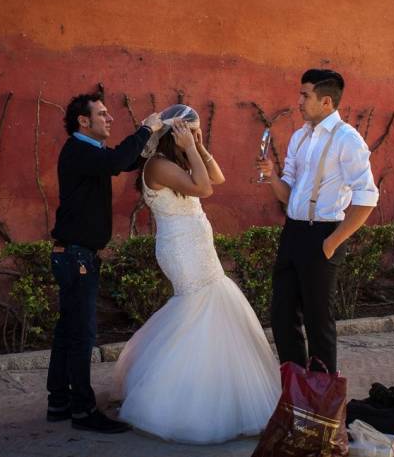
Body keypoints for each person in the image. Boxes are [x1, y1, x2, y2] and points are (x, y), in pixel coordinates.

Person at [113, 104, 281, 444]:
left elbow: (216, 177)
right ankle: (175, 399)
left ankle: (213, 390)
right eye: (191, 130)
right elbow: (204, 190)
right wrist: (190, 150)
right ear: (175, 133)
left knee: (206, 309)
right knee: (198, 308)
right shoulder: (158, 166)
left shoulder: (178, 160)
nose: (194, 135)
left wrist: (199, 147)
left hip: (197, 247)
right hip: (182, 249)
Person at [47, 92, 162, 433]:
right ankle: (83, 411)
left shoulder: (89, 152)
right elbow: (115, 164)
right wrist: (144, 129)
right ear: (84, 121)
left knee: (68, 331)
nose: (110, 119)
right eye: (103, 114)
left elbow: (122, 162)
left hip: (74, 255)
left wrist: (149, 143)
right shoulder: (78, 149)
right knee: (81, 335)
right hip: (76, 256)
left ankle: (59, 402)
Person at [257, 69, 379, 374]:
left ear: (326, 102)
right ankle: (295, 393)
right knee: (283, 317)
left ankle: (322, 407)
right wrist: (271, 175)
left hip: (323, 234)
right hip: (293, 232)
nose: (298, 101)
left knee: (318, 323)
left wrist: (331, 243)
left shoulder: (347, 139)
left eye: (305, 95)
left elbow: (366, 198)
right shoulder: (299, 137)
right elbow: (287, 193)